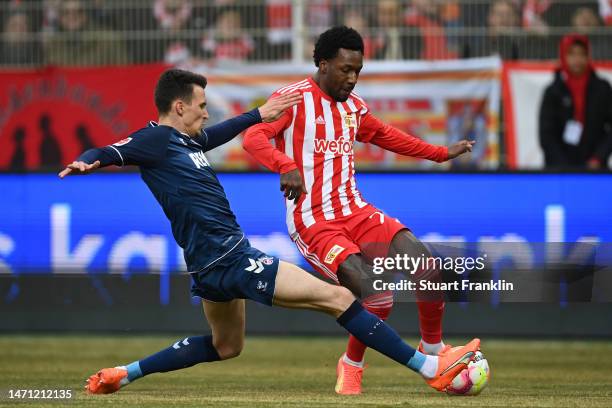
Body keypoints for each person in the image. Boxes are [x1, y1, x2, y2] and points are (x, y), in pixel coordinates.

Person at [58, 69, 480, 395]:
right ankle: (430, 367)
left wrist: (259, 115)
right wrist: (87, 160)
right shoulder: (154, 140)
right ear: (179, 107)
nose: (206, 112)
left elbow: (218, 134)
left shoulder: (186, 143)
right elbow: (114, 150)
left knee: (227, 347)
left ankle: (124, 374)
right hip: (230, 256)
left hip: (206, 266)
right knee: (342, 297)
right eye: (201, 104)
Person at [242, 26, 475, 395]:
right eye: (345, 69)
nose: (352, 79)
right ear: (323, 64)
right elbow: (253, 136)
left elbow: (388, 135)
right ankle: (352, 363)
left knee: (426, 266)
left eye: (357, 71)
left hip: (356, 211)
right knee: (375, 291)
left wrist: (441, 153)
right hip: (314, 221)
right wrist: (284, 165)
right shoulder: (292, 99)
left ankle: (434, 349)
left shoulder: (354, 108)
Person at [539, 34, 612, 169]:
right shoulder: (553, 91)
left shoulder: (602, 88)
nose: (577, 59)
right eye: (571, 54)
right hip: (559, 170)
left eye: (582, 54)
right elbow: (546, 135)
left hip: (596, 168)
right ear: (563, 56)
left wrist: (598, 158)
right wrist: (564, 167)